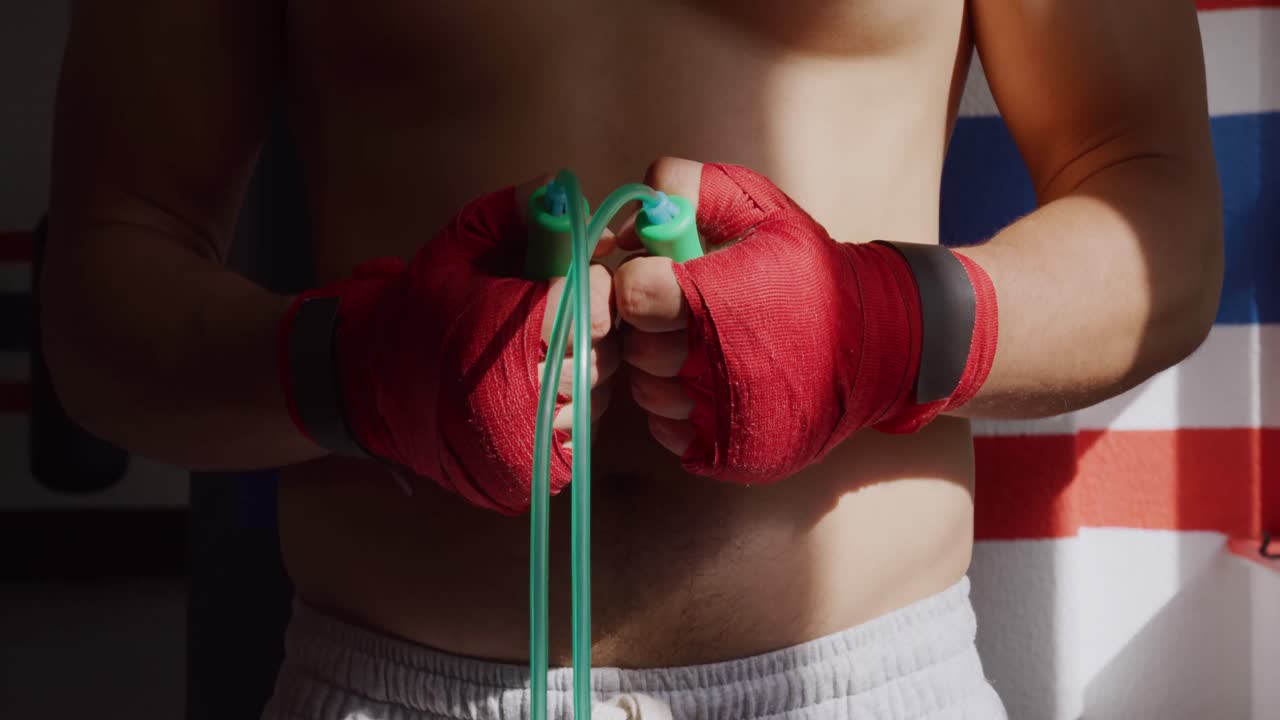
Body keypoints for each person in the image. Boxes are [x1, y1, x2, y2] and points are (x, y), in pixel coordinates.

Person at [42, 1, 1222, 718]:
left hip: (863, 685)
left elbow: (1158, 224)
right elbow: (101, 292)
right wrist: (356, 371)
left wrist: (882, 328)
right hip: (392, 687)